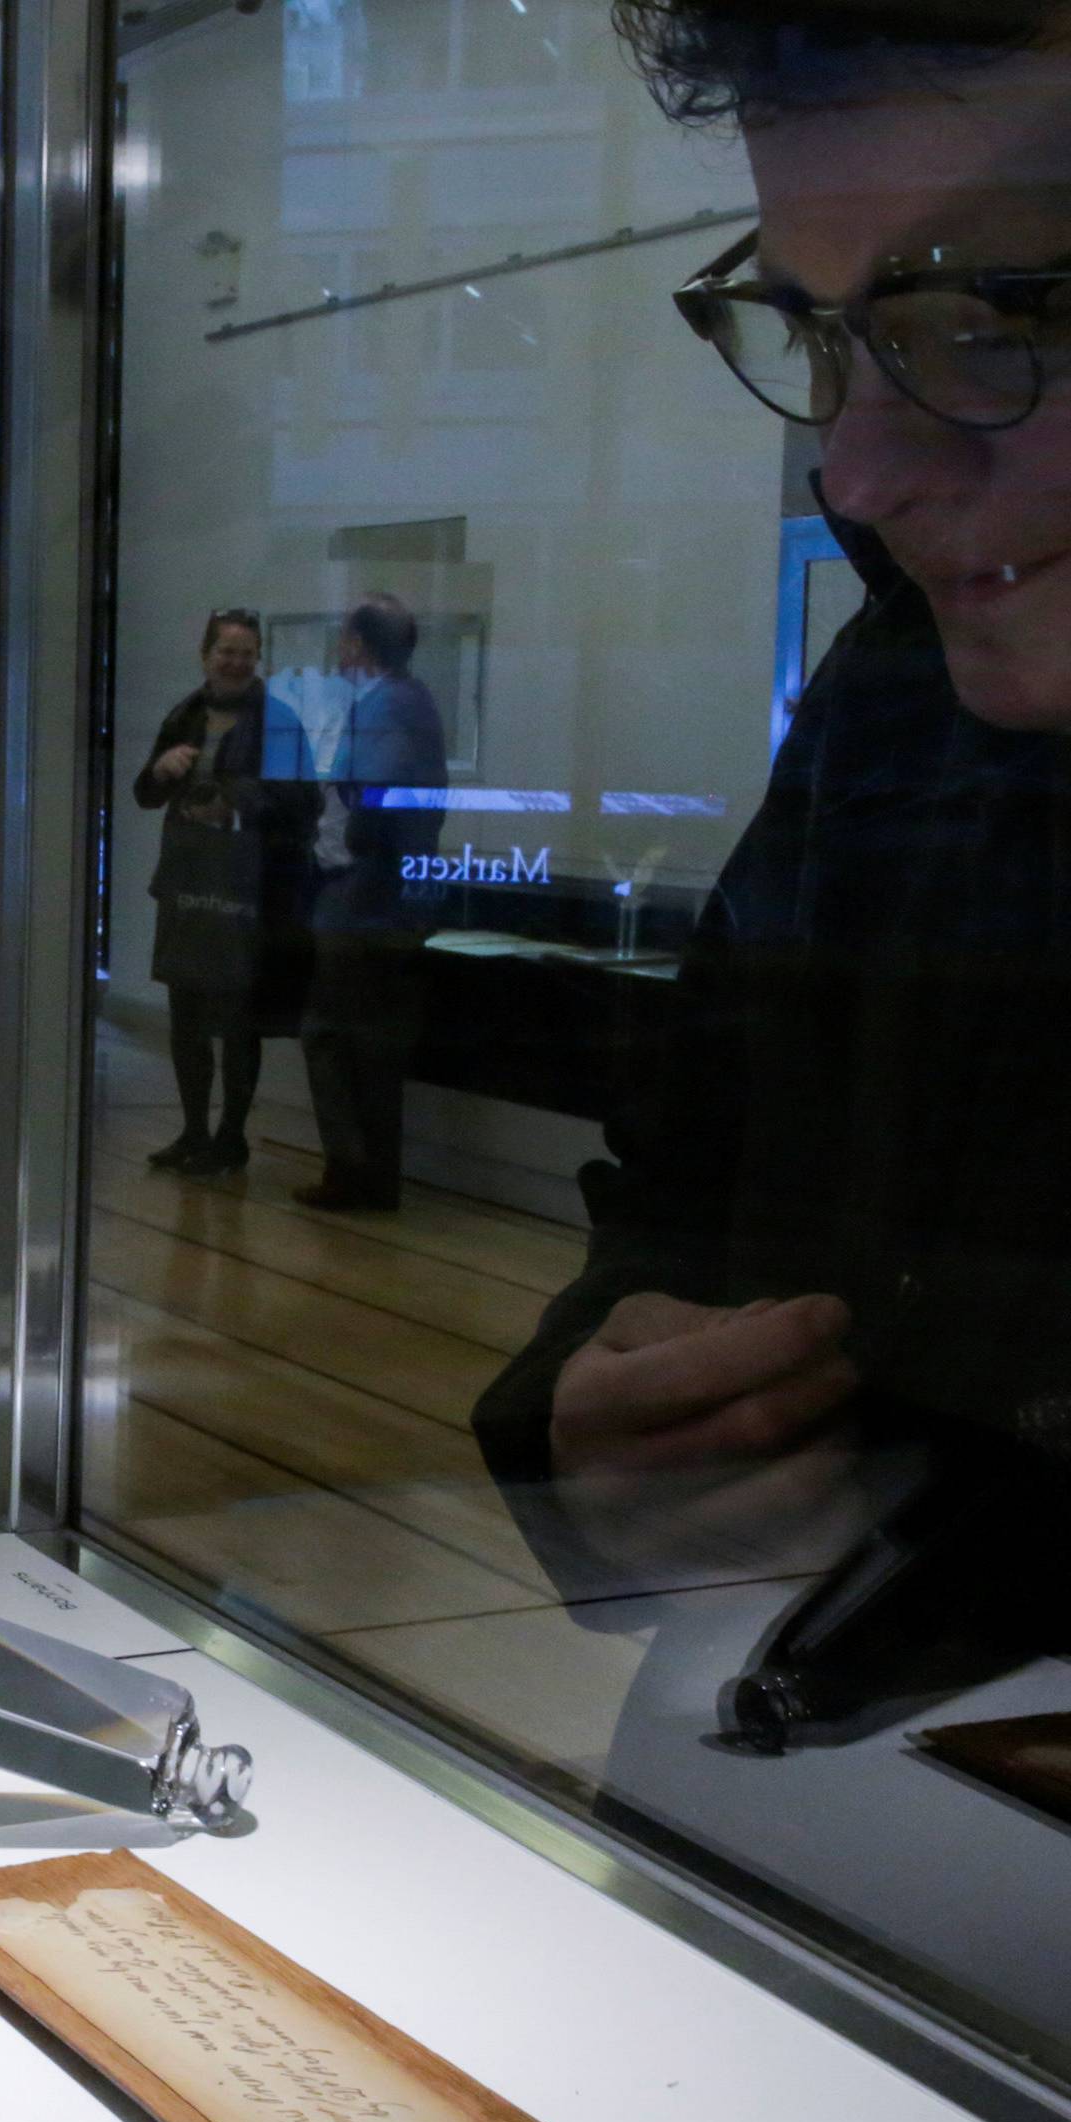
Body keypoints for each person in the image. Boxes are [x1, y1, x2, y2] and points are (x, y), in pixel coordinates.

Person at [474, 0, 1071, 1700]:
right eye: (821, 338)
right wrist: (610, 1446)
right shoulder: (905, 690)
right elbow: (689, 1198)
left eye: (988, 318)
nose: (858, 473)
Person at [134, 609, 317, 1177]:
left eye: (246, 653)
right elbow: (143, 794)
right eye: (226, 652)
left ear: (258, 658)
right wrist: (162, 770)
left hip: (248, 884)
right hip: (188, 878)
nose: (236, 662)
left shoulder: (280, 721)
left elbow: (304, 803)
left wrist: (236, 801)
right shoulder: (183, 714)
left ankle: (231, 1135)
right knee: (185, 1011)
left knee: (238, 1015)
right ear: (205, 655)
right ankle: (192, 1131)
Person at [296, 593, 447, 1212]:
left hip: (361, 896)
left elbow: (372, 804)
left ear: (358, 645)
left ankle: (352, 1171)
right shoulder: (414, 700)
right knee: (372, 1044)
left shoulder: (384, 706)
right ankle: (373, 1175)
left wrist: (349, 843)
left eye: (344, 640)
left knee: (331, 1034)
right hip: (389, 897)